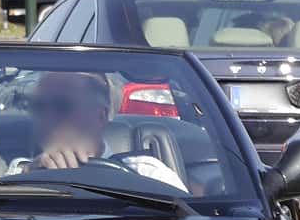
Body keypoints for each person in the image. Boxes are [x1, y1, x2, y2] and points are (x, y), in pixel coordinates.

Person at [11, 71, 187, 191]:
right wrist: (31, 173)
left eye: (62, 106)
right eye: (39, 107)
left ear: (100, 116)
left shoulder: (147, 173)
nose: (47, 117)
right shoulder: (22, 170)